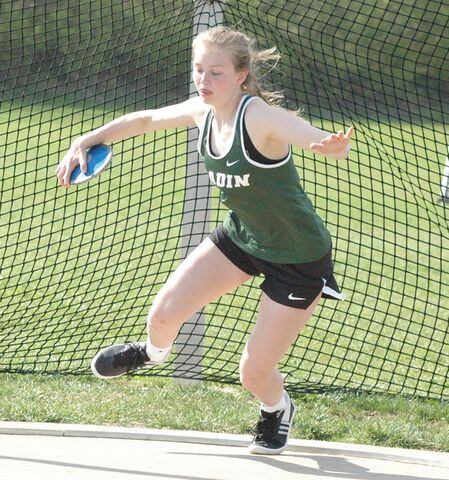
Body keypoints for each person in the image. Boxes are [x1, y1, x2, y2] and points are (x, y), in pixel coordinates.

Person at [56, 26, 353, 455]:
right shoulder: (203, 111)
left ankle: (277, 408)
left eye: (216, 72)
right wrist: (87, 139)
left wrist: (330, 146)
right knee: (161, 317)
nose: (204, 80)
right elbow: (144, 120)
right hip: (243, 236)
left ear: (242, 75)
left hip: (298, 256)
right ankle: (152, 357)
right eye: (199, 70)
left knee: (252, 374)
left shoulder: (259, 117)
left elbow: (311, 137)